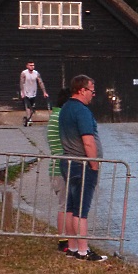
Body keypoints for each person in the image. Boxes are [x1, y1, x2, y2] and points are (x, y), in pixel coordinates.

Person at [58, 75, 107, 261]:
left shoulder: (65, 109)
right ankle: (83, 250)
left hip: (68, 163)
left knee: (71, 207)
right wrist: (94, 164)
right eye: (91, 91)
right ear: (82, 90)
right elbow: (88, 141)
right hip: (82, 164)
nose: (93, 95)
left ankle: (72, 247)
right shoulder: (82, 111)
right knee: (81, 210)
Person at [47, 87, 72, 252]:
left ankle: (67, 239)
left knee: (65, 204)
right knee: (65, 205)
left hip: (57, 167)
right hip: (62, 168)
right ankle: (64, 241)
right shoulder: (62, 117)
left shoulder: (55, 116)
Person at [19, 61, 48, 125]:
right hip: (26, 92)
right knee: (27, 106)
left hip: (33, 92)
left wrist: (44, 92)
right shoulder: (24, 73)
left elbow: (40, 82)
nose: (32, 67)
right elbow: (21, 83)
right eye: (30, 65)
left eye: (33, 65)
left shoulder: (36, 73)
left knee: (32, 107)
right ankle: (29, 119)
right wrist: (22, 92)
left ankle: (28, 118)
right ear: (27, 66)